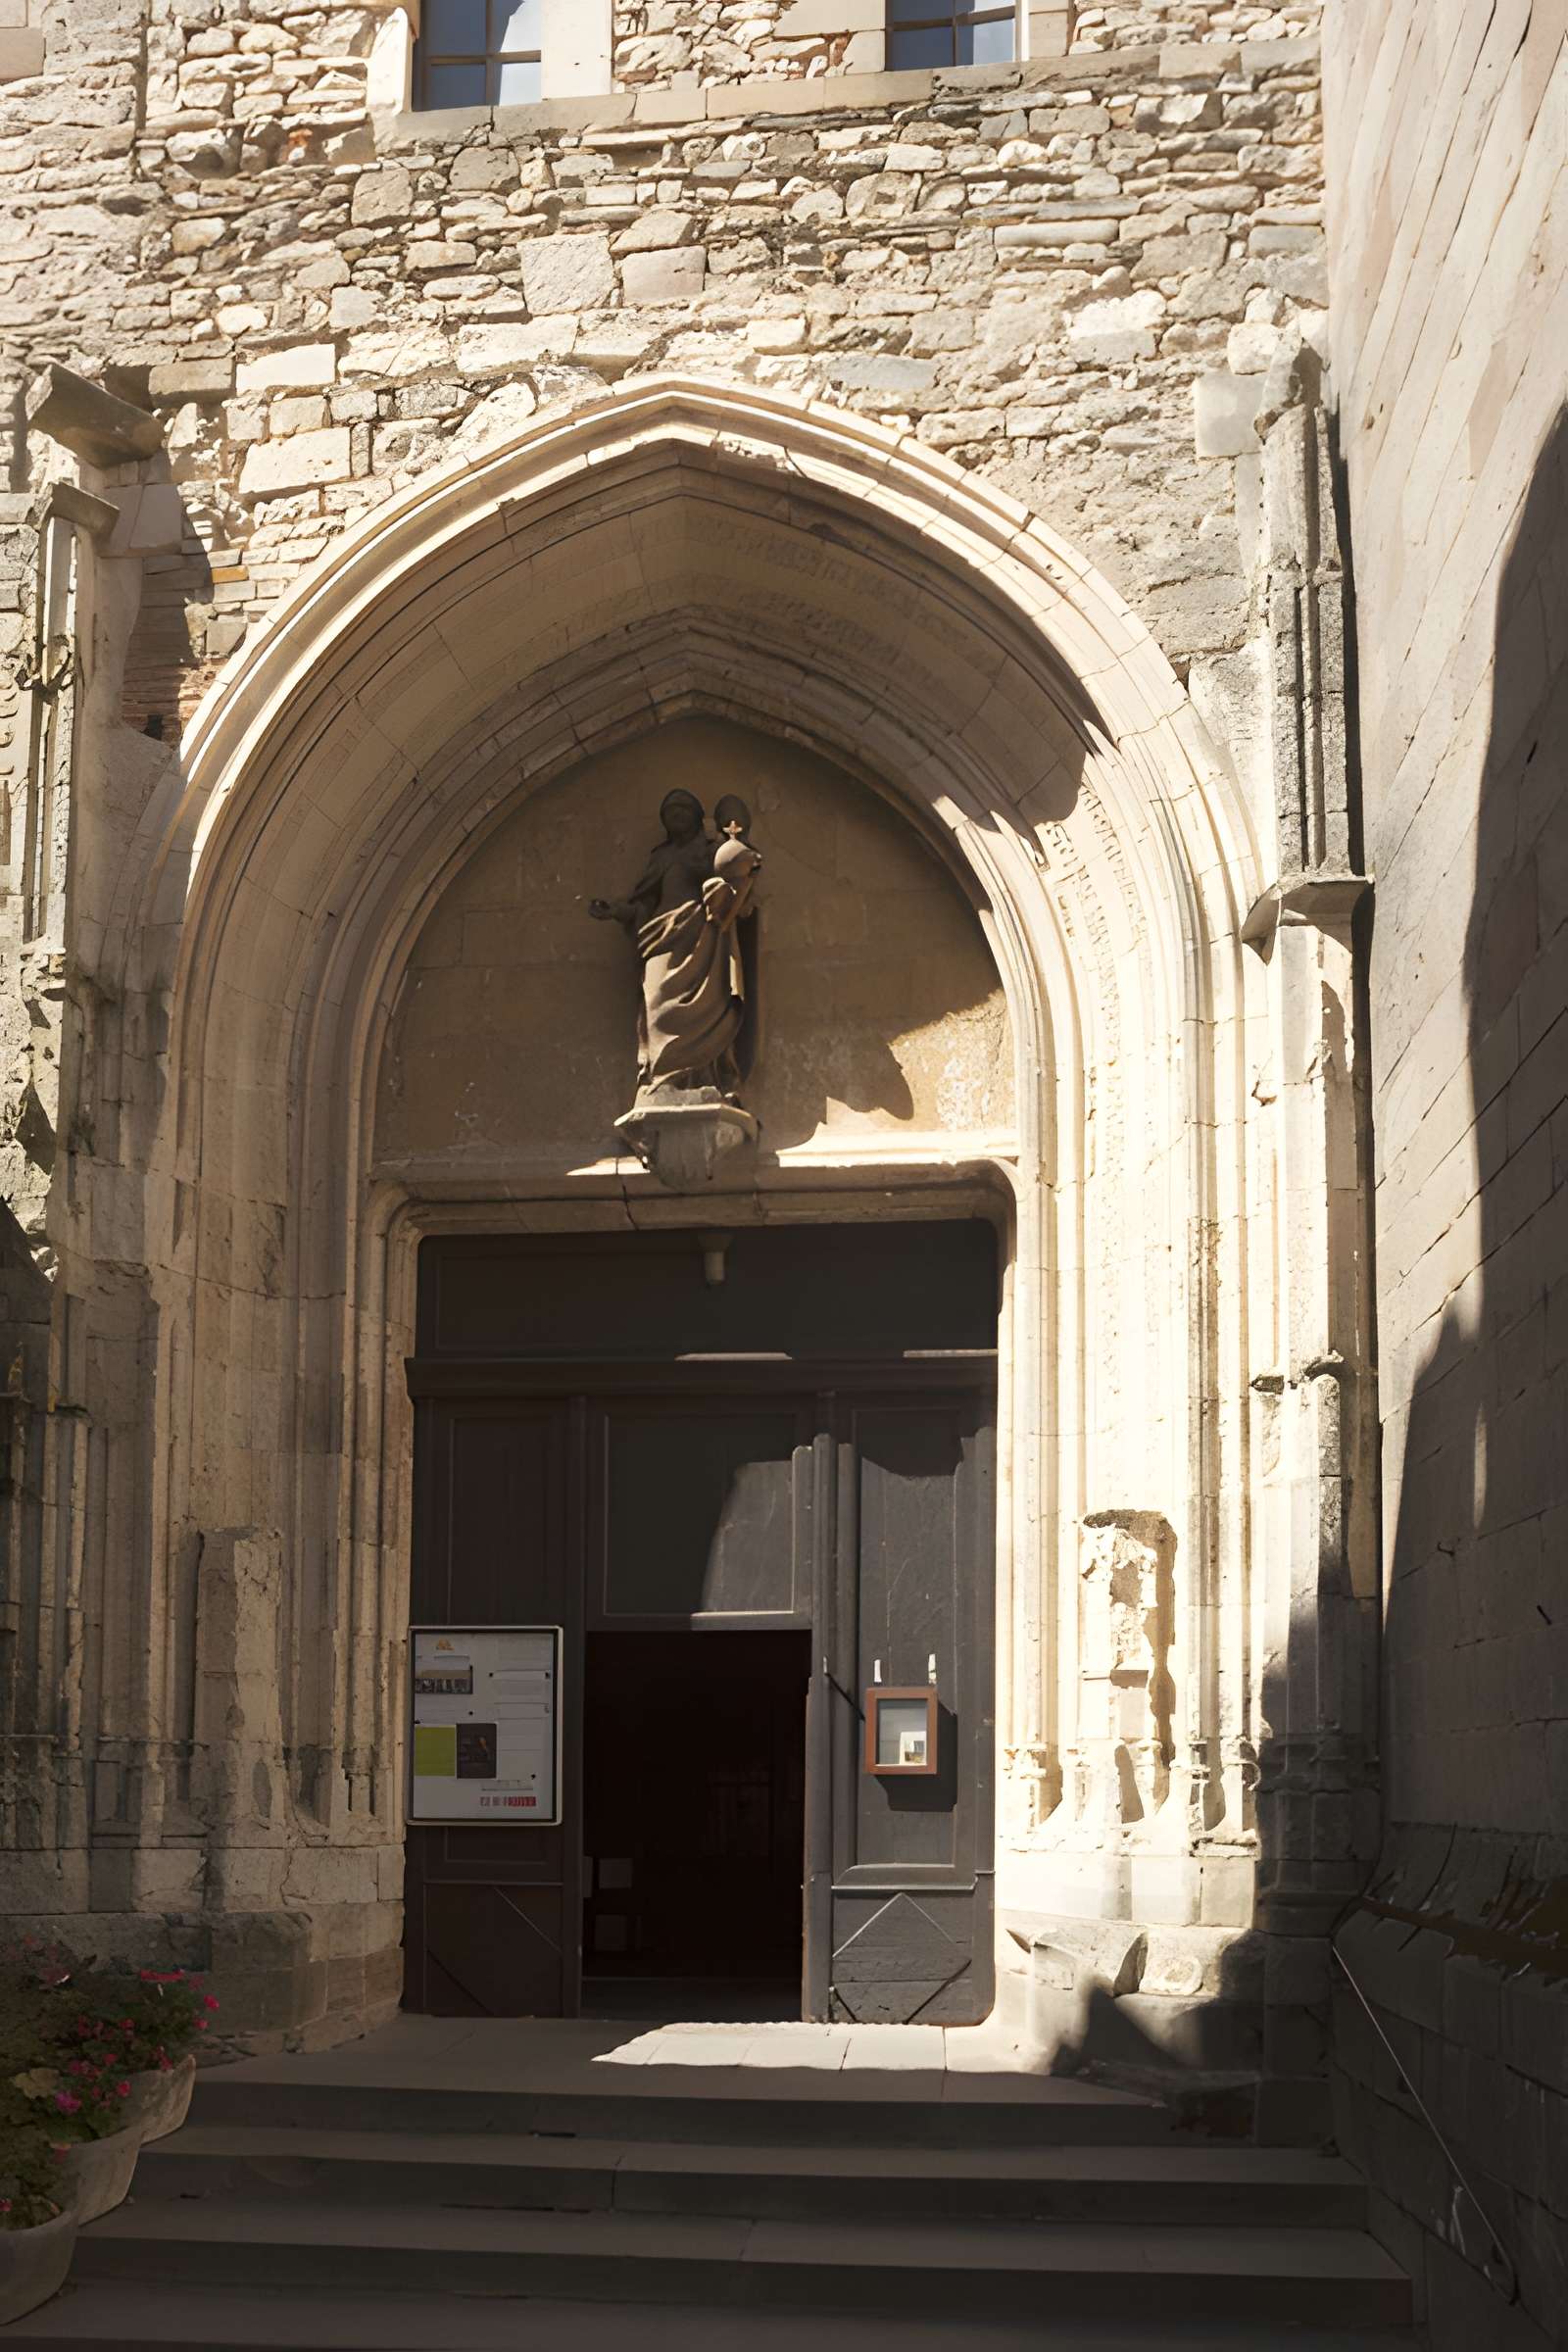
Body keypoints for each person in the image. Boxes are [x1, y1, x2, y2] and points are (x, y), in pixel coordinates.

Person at [589, 790, 761, 1102]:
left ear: (696, 816)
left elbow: (735, 885)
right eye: (669, 812)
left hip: (705, 939)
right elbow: (644, 903)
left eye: (683, 808)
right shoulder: (661, 857)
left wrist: (739, 866)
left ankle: (705, 1077)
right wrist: (616, 911)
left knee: (709, 1007)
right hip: (661, 938)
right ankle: (662, 1076)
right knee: (656, 1004)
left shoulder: (711, 850)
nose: (676, 815)